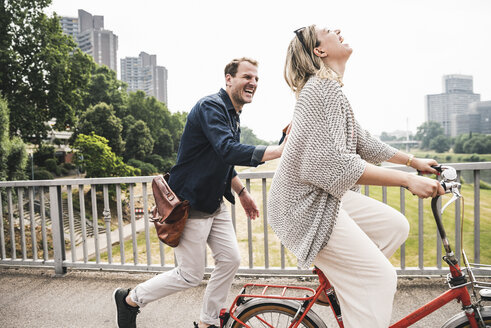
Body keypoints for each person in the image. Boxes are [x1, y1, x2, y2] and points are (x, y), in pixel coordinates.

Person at [267, 25, 445, 328]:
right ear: (319, 51)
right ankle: (356, 292)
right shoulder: (319, 91)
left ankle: (341, 283)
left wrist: (414, 162)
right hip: (303, 208)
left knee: (395, 227)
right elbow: (335, 165)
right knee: (379, 278)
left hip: (318, 197)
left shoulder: (329, 89)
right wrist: (406, 180)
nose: (337, 30)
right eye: (328, 30)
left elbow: (362, 141)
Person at [113, 57, 286, 328]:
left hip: (214, 203)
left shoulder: (232, 114)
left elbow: (221, 160)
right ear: (229, 79)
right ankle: (130, 299)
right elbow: (227, 149)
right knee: (189, 275)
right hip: (189, 205)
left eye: (256, 79)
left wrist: (241, 192)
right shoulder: (211, 107)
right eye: (247, 77)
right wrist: (277, 150)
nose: (252, 82)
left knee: (230, 260)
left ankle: (208, 323)